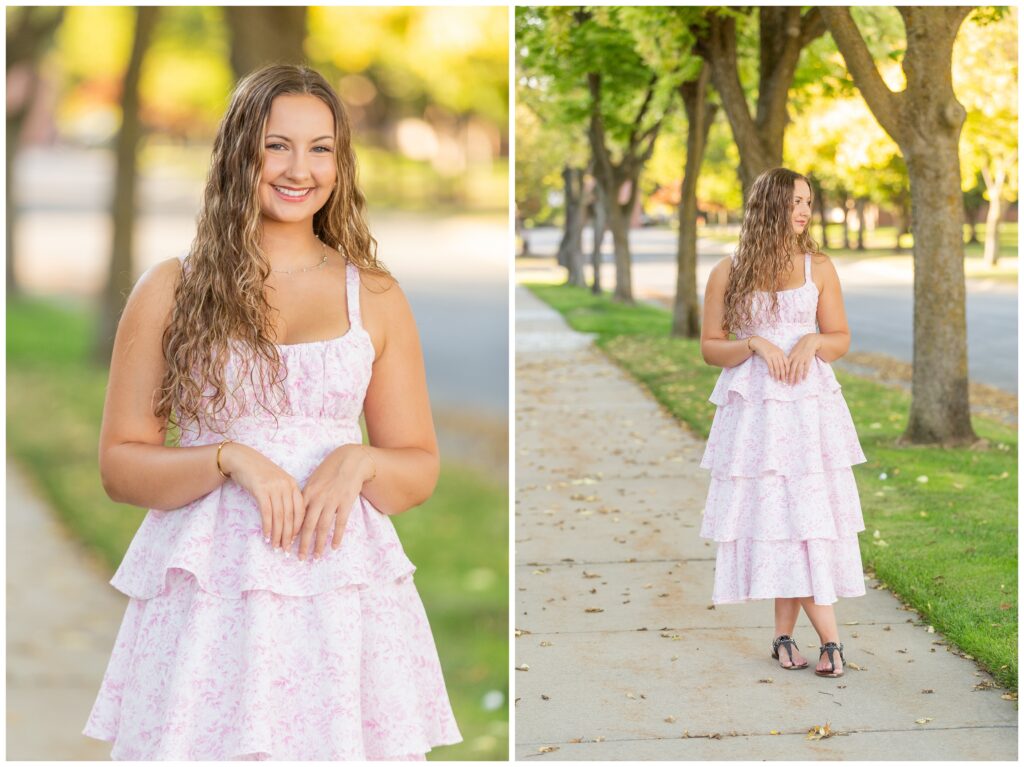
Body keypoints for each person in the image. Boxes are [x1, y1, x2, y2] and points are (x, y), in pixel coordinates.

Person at [82, 64, 462, 759]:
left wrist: (361, 458)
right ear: (238, 152)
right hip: (210, 599)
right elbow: (119, 465)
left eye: (321, 147)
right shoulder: (173, 286)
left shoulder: (372, 294)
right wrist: (229, 459)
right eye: (277, 144)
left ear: (341, 163)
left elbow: (418, 468)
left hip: (340, 599)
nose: (300, 168)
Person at [698, 167, 867, 678]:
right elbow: (710, 348)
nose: (804, 211)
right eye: (795, 201)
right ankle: (814, 640)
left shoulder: (820, 266)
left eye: (808, 202)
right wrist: (754, 342)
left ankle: (800, 637)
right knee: (778, 520)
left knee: (806, 518)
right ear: (769, 205)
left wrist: (814, 341)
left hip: (810, 411)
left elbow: (839, 336)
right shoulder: (728, 272)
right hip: (755, 416)